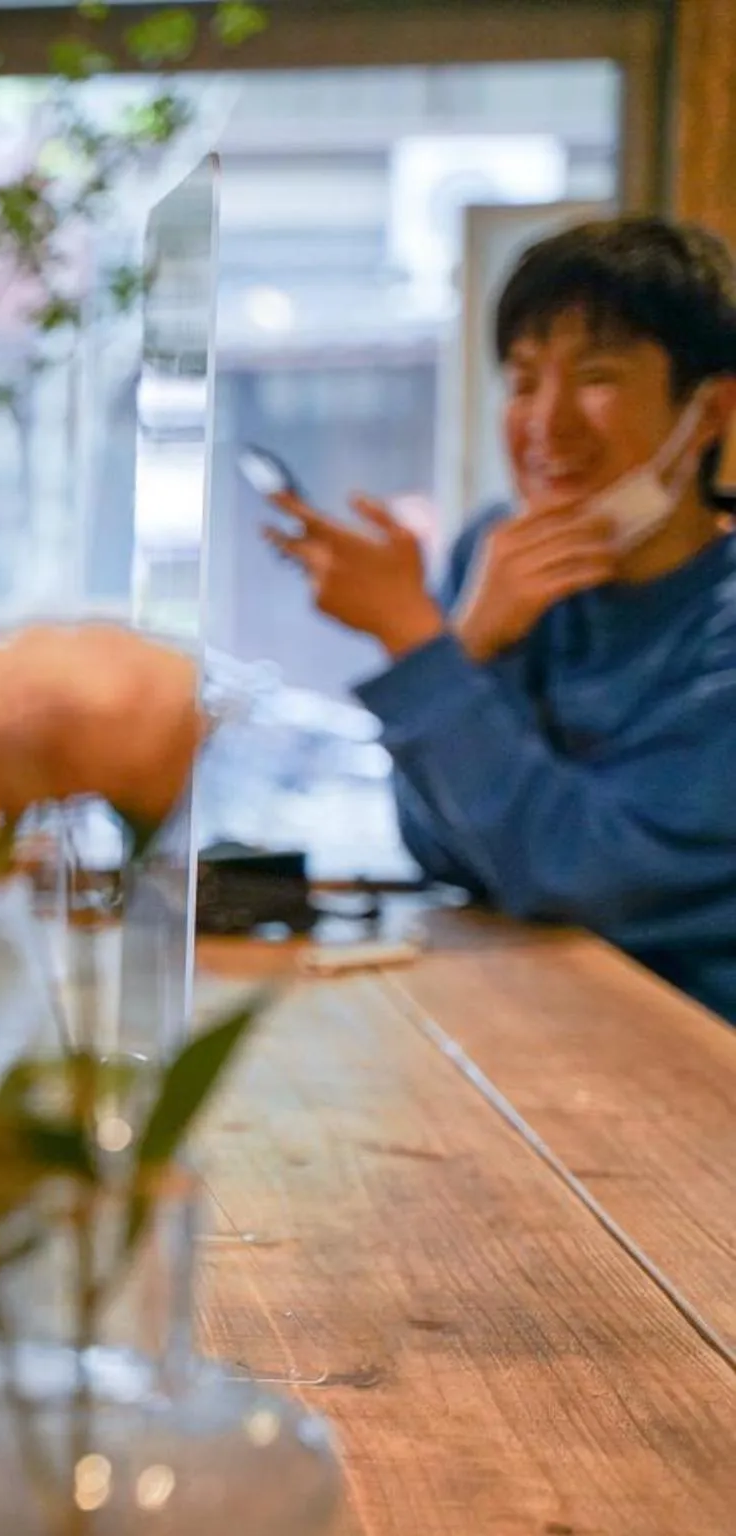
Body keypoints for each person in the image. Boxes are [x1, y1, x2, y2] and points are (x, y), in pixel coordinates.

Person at [267, 215, 736, 1023]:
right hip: (535, 1027)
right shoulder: (499, 558)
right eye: (522, 382)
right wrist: (469, 643)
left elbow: (586, 874)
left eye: (597, 376)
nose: (546, 424)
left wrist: (421, 646)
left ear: (710, 411)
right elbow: (440, 844)